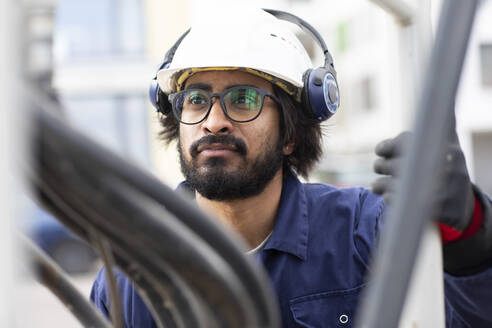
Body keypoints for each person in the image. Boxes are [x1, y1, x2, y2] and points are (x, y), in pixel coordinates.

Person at [90, 7, 492, 327]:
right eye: (196, 99)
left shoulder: (363, 232)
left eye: (243, 99)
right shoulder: (129, 276)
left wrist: (470, 235)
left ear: (290, 135)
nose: (213, 121)